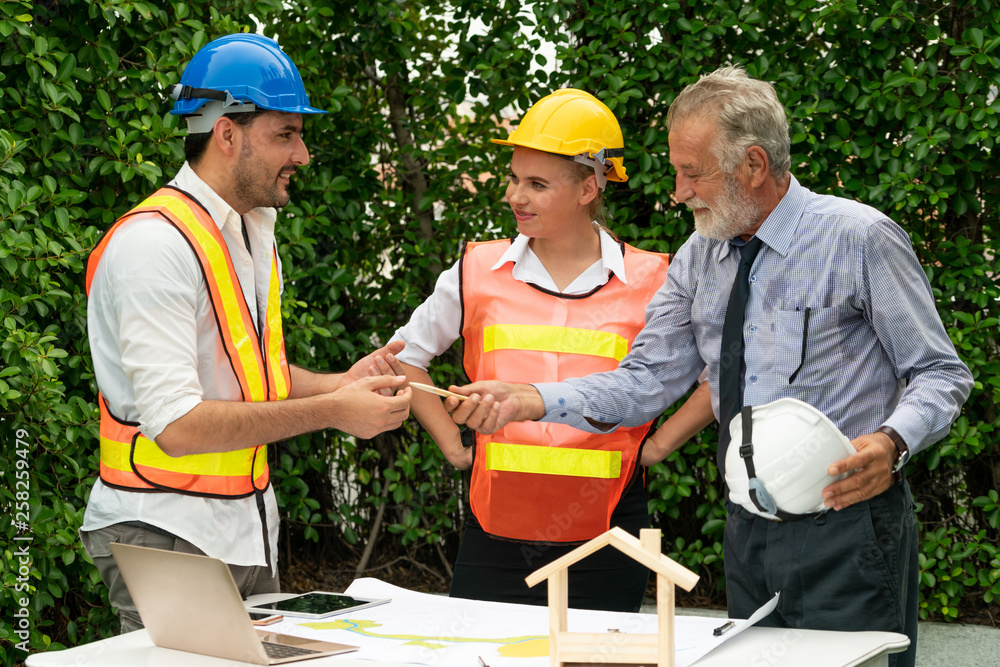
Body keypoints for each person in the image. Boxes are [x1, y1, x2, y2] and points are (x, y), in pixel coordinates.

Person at [445, 67, 973, 667]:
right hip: (747, 530)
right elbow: (646, 380)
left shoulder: (859, 238)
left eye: (692, 172)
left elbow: (940, 372)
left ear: (752, 164)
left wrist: (891, 443)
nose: (677, 191)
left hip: (848, 525)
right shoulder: (700, 256)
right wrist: (529, 399)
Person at [81, 33, 412, 633]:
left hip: (241, 529)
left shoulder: (250, 229)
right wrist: (334, 411)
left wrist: (338, 384)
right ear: (226, 135)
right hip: (166, 530)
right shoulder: (154, 245)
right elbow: (177, 426)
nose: (303, 154)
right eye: (285, 134)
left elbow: (247, 381)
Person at [390, 88, 713, 612]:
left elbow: (718, 372)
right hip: (494, 532)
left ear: (590, 186)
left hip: (609, 532)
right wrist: (453, 446)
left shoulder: (655, 278)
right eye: (515, 178)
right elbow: (404, 357)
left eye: (537, 184)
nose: (515, 195)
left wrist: (657, 446)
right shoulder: (478, 270)